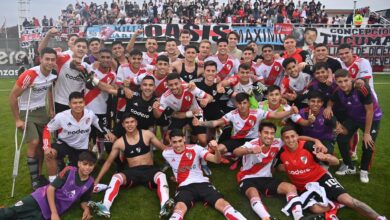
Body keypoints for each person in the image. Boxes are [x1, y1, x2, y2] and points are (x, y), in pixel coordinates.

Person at [276, 126, 387, 220]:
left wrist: (325, 157)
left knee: (350, 201)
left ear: (297, 137)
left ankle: (379, 218)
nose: (290, 140)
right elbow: (278, 167)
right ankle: (337, 204)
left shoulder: (308, 146)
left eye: (293, 136)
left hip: (321, 178)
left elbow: (334, 162)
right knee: (315, 209)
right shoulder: (281, 152)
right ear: (283, 139)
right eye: (287, 138)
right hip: (304, 187)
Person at [88, 113, 174, 218]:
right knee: (116, 177)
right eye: (127, 122)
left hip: (150, 170)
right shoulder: (119, 142)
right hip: (132, 172)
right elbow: (108, 162)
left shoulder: (147, 134)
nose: (130, 125)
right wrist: (97, 180)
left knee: (161, 175)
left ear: (136, 123)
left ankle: (164, 206)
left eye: (132, 122)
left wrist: (181, 153)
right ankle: (105, 207)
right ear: (123, 125)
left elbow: (164, 149)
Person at [234, 122, 324, 220]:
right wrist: (250, 150)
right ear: (259, 133)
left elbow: (297, 137)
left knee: (291, 187)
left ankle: (299, 217)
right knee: (253, 193)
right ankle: (267, 218)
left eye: (272, 133)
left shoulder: (277, 142)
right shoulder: (252, 144)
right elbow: (236, 151)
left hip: (266, 178)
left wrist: (316, 140)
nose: (269, 136)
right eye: (266, 133)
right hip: (247, 178)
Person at [163, 129, 247, 220]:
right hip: (184, 187)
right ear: (170, 142)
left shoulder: (196, 148)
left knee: (223, 204)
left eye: (180, 141)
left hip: (202, 183)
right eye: (174, 142)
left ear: (184, 139)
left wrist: (217, 150)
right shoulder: (166, 153)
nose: (178, 145)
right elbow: (175, 165)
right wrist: (175, 177)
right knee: (179, 208)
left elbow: (216, 160)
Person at [9, 47, 58, 190]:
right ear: (40, 59)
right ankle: (35, 180)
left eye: (52, 59)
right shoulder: (30, 75)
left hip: (42, 111)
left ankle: (39, 173)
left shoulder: (53, 74)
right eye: (47, 59)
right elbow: (12, 97)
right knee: (34, 142)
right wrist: (18, 119)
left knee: (44, 145)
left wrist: (50, 108)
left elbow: (50, 88)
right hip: (26, 111)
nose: (50, 62)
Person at [0, 151, 97, 220]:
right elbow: (50, 189)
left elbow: (84, 200)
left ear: (94, 166)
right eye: (85, 164)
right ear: (79, 164)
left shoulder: (90, 183)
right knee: (9, 213)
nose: (87, 167)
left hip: (50, 210)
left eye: (91, 165)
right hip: (40, 198)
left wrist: (86, 209)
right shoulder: (69, 171)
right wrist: (54, 214)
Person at [193, 92, 298, 156]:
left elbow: (275, 115)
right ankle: (199, 158)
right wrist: (201, 123)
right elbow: (216, 122)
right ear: (236, 104)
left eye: (244, 103)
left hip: (253, 141)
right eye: (239, 103)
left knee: (261, 152)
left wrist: (290, 112)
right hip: (237, 139)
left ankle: (236, 156)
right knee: (218, 149)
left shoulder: (257, 112)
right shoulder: (232, 114)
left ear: (248, 103)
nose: (242, 106)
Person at [324, 69, 382, 183]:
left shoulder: (361, 89)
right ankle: (349, 166)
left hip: (371, 118)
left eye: (346, 80)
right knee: (341, 138)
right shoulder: (337, 91)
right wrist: (329, 107)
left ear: (351, 78)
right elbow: (331, 101)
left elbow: (370, 111)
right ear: (336, 82)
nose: (343, 84)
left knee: (367, 143)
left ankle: (364, 171)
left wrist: (366, 133)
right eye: (340, 82)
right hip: (353, 118)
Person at [42, 92, 112, 183]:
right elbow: (47, 129)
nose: (78, 105)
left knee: (79, 175)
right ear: (69, 104)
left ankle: (66, 167)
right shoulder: (61, 116)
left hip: (81, 148)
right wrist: (46, 147)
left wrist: (107, 132)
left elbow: (98, 123)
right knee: (50, 154)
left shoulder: (89, 114)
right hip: (64, 144)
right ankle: (53, 183)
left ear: (84, 103)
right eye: (74, 103)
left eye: (80, 102)